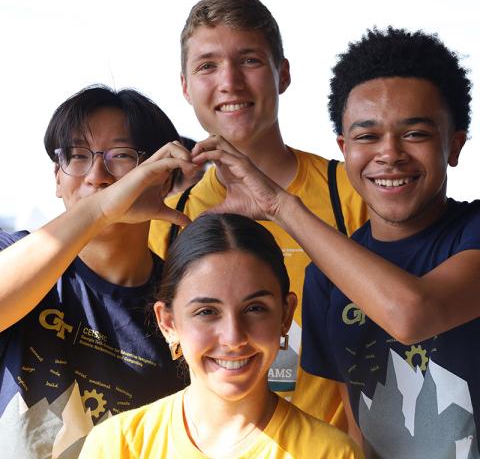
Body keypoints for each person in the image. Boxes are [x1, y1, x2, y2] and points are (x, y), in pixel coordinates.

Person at [186, 27, 479, 458]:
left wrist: (282, 207)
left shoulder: (473, 231)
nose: (389, 154)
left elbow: (414, 313)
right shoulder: (324, 281)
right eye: (367, 136)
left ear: (454, 145)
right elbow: (357, 424)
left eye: (415, 134)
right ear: (344, 148)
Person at [148, 0, 367, 427]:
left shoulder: (352, 192)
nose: (229, 82)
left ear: (282, 74)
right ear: (185, 87)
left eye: (248, 60)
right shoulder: (170, 216)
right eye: (208, 65)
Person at [0, 85, 197, 457]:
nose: (97, 175)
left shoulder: (185, 304)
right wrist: (101, 210)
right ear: (57, 178)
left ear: (163, 178)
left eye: (121, 155)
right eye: (77, 156)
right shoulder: (15, 255)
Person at [80, 213, 364, 458]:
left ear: (286, 315)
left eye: (254, 308)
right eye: (206, 312)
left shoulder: (331, 453)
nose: (233, 337)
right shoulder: (117, 446)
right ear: (168, 323)